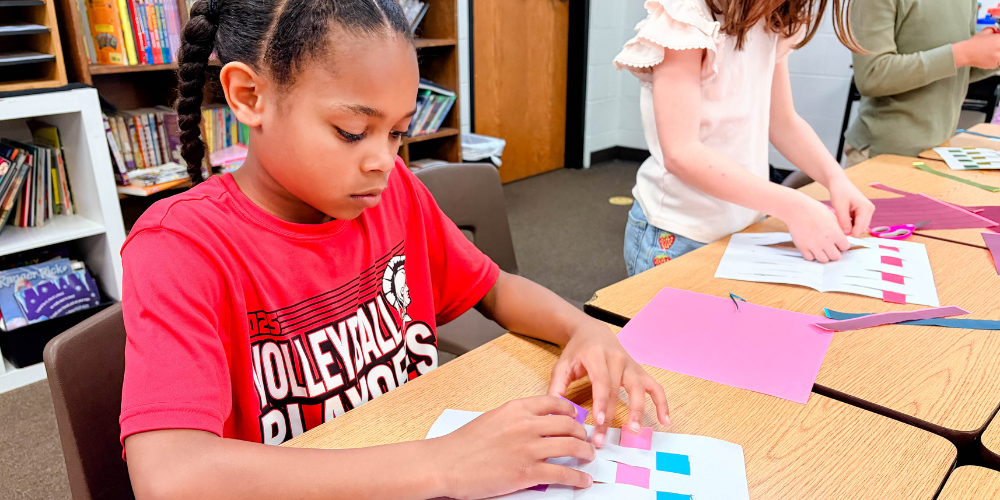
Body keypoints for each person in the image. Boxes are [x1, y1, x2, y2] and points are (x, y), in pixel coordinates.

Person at [119, 1, 669, 498]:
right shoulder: (179, 248)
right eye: (353, 131)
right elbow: (171, 476)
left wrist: (585, 328)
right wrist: (443, 463)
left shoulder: (393, 193)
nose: (383, 160)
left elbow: (495, 287)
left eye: (398, 133)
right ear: (249, 96)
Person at [615, 0, 875, 277]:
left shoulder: (773, 18)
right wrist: (795, 207)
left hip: (746, 223)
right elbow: (682, 152)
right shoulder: (687, 17)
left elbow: (783, 122)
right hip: (679, 232)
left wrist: (836, 179)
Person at [844, 0, 1000, 164]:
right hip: (883, 154)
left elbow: (957, 71)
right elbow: (872, 76)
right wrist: (964, 53)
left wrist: (986, 53)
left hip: (938, 150)